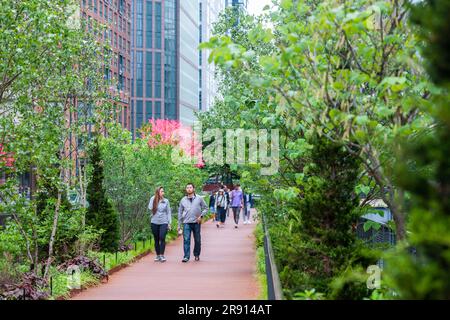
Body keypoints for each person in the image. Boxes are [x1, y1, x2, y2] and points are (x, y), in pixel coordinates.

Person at [178, 183, 208, 262]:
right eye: (187, 187)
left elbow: (205, 208)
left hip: (196, 222)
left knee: (197, 239)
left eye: (190, 187)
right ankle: (186, 256)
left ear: (193, 189)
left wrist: (201, 216)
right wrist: (179, 225)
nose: (189, 189)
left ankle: (196, 254)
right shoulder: (183, 200)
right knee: (186, 239)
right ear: (186, 189)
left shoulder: (199, 198)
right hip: (186, 222)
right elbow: (180, 212)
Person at [148, 186, 172, 262]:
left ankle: (162, 255)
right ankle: (158, 255)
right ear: (158, 192)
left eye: (163, 191)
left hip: (164, 222)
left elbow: (168, 212)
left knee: (162, 237)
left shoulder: (166, 201)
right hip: (154, 222)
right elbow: (150, 208)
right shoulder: (153, 199)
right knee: (156, 239)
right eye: (161, 191)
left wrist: (169, 223)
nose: (163, 193)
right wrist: (154, 199)